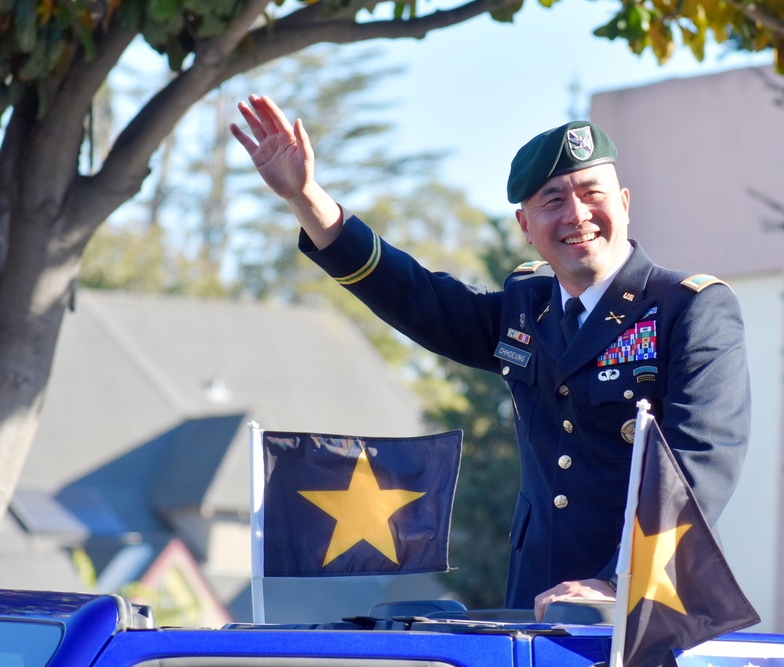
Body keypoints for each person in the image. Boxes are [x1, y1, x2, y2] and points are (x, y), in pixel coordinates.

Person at [230, 94, 751, 621]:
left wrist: (619, 581)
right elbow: (418, 298)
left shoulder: (690, 309)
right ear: (525, 226)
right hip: (533, 611)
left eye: (593, 193)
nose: (577, 214)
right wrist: (305, 197)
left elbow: (698, 465)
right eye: (552, 201)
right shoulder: (527, 306)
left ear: (624, 203)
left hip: (647, 608)